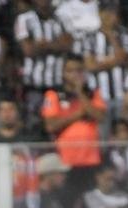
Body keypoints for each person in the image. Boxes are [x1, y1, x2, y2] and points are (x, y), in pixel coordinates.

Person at [41, 53, 107, 200]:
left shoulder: (93, 93)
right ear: (64, 73)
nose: (75, 75)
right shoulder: (54, 95)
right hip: (65, 161)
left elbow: (100, 116)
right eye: (70, 71)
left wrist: (80, 93)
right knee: (68, 199)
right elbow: (51, 126)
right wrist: (78, 114)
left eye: (79, 71)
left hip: (90, 158)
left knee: (89, 201)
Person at [16, 0, 72, 123]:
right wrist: (55, 44)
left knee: (57, 124)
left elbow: (68, 45)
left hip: (57, 85)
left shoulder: (63, 19)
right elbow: (28, 50)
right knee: (34, 125)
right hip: (34, 86)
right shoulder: (24, 19)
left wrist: (42, 45)